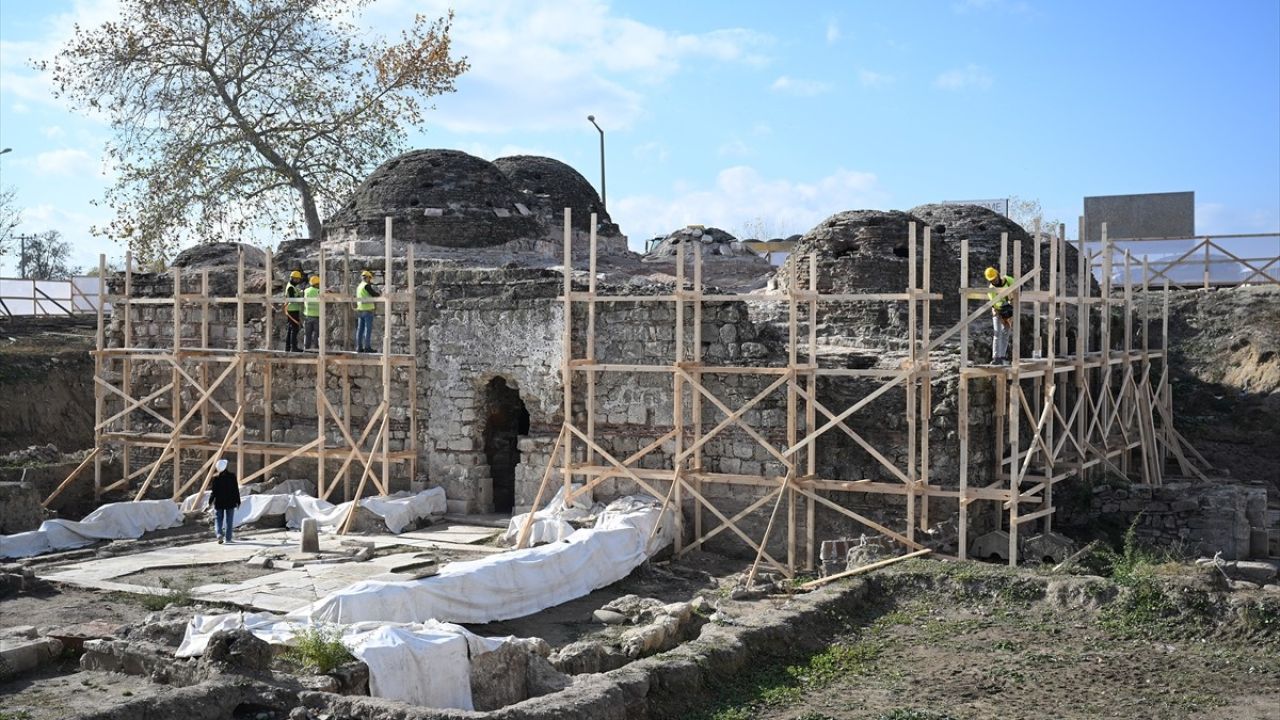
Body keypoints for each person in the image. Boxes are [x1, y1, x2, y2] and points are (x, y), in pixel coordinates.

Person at [985, 267, 1016, 364]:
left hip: (1009, 309)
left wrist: (1011, 304)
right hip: (998, 311)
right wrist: (1004, 317)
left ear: (998, 275)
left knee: (1006, 333)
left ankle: (1002, 356)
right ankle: (996, 357)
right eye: (992, 280)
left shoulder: (1008, 280)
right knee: (997, 333)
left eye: (995, 279)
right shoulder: (991, 289)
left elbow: (1018, 288)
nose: (994, 281)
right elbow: (996, 304)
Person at [207, 458, 240, 544]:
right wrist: (238, 501)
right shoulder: (232, 476)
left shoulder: (215, 478)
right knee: (229, 521)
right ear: (226, 467)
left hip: (219, 502)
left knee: (218, 520)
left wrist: (210, 502)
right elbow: (235, 490)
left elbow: (213, 492)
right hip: (230, 502)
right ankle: (228, 538)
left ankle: (219, 534)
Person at [354, 269, 381, 353]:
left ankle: (358, 347)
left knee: (360, 330)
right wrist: (379, 294)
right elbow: (373, 294)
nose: (370, 280)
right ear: (367, 278)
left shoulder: (359, 286)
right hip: (367, 310)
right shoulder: (366, 285)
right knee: (367, 329)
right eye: (370, 278)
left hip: (360, 310)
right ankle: (367, 347)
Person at [284, 270, 304, 352]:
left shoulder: (292, 286)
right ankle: (293, 347)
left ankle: (288, 347)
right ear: (294, 279)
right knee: (294, 329)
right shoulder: (291, 287)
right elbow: (292, 299)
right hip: (292, 310)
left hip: (291, 310)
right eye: (297, 279)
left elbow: (296, 293)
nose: (298, 281)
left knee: (290, 329)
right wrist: (301, 299)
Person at [303, 274, 321, 351]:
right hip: (317, 316)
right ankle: (316, 348)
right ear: (317, 284)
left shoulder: (306, 291)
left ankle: (306, 348)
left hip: (308, 316)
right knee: (317, 334)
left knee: (307, 334)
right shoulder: (319, 291)